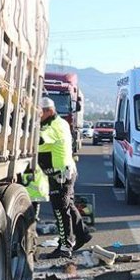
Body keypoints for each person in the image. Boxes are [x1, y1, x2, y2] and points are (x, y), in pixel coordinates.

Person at [37, 97, 91, 259]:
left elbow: (39, 140)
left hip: (60, 174)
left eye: (39, 113)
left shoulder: (53, 126)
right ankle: (82, 234)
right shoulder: (59, 122)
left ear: (48, 111)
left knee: (61, 210)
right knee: (69, 206)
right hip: (65, 172)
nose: (37, 116)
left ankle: (65, 246)